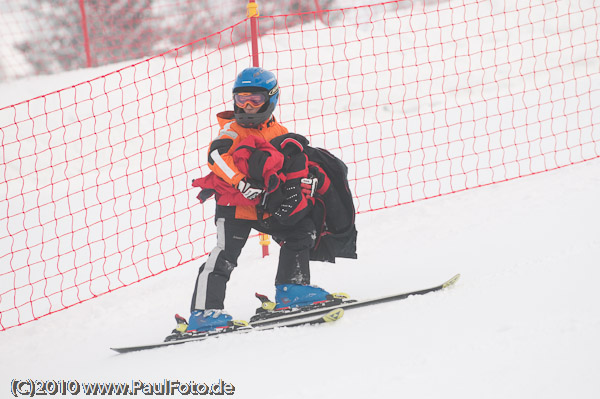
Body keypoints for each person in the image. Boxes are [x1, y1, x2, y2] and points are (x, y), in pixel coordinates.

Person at [186, 67, 338, 332]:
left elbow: (286, 164)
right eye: (241, 98)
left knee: (301, 231)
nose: (247, 106)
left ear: (271, 98)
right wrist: (241, 183)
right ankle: (204, 313)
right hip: (234, 205)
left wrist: (303, 180)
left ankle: (292, 288)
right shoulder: (232, 132)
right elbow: (216, 157)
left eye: (255, 99)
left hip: (264, 206)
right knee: (225, 256)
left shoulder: (278, 130)